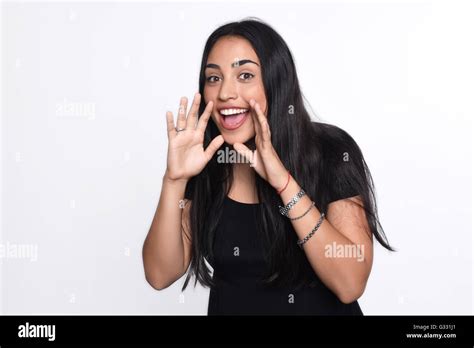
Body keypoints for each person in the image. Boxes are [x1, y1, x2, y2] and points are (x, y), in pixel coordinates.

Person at [142, 18, 394, 315]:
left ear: (276, 81)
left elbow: (350, 283)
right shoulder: (204, 161)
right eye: (214, 78)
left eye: (245, 75)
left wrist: (284, 184)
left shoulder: (330, 151)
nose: (225, 93)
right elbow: (160, 275)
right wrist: (174, 180)